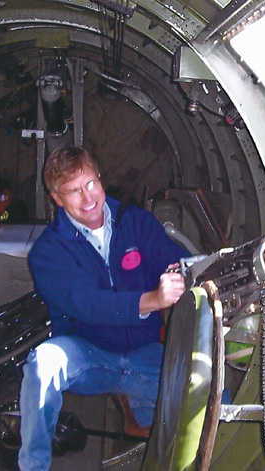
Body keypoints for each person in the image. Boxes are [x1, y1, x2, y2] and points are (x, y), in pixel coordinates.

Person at [18, 146, 190, 471]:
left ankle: (141, 415)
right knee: (42, 364)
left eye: (90, 184)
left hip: (146, 355)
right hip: (89, 357)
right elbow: (88, 304)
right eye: (72, 192)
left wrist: (186, 272)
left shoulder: (136, 222)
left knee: (211, 389)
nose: (87, 199)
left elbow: (174, 260)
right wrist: (153, 299)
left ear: (99, 178)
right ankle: (32, 466)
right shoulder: (47, 252)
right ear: (56, 198)